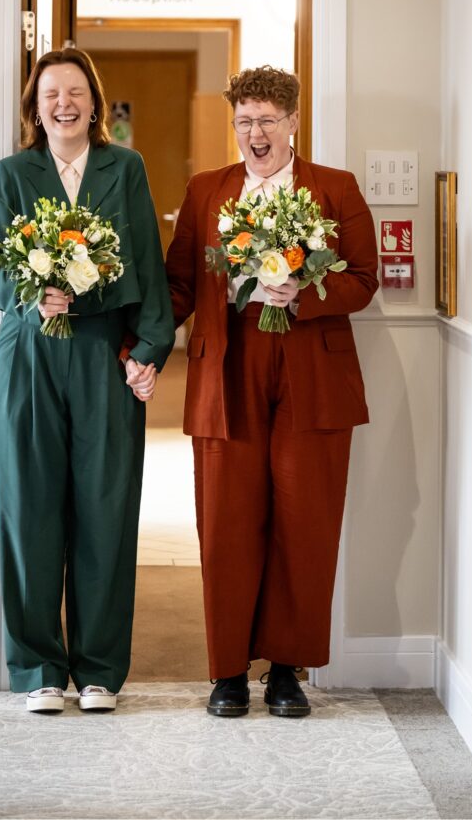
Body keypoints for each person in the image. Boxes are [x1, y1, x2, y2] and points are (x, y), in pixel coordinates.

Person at [165, 66, 378, 718]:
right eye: (243, 122)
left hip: (311, 367)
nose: (253, 134)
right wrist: (135, 345)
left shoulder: (333, 188)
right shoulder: (207, 191)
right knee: (226, 521)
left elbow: (363, 279)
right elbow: (178, 285)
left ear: (291, 124)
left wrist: (305, 292)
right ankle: (228, 671)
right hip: (228, 367)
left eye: (265, 120)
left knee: (303, 521)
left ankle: (286, 671)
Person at [0, 48, 174, 713]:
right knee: (27, 509)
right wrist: (30, 294)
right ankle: (37, 671)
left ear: (94, 101)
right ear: (34, 108)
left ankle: (97, 672)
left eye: (76, 92)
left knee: (104, 510)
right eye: (50, 93)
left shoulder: (127, 168)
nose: (64, 103)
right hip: (27, 354)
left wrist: (148, 348)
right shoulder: (12, 173)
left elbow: (144, 255)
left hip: (99, 356)